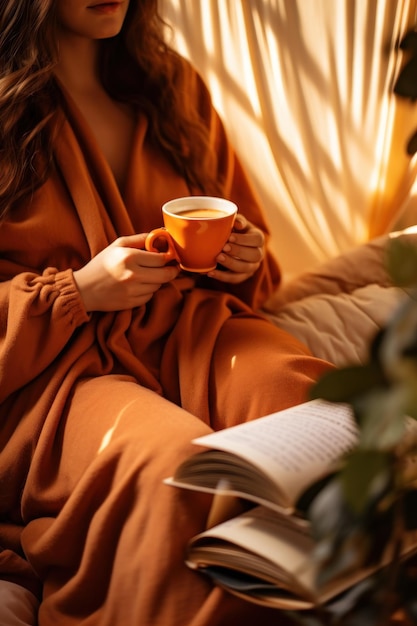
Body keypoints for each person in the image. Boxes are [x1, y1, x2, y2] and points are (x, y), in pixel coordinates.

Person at [0, 0, 333, 624]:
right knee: (176, 468)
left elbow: (248, 238)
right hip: (53, 376)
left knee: (323, 416)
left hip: (193, 334)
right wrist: (76, 291)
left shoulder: (172, 85)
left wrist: (246, 256)